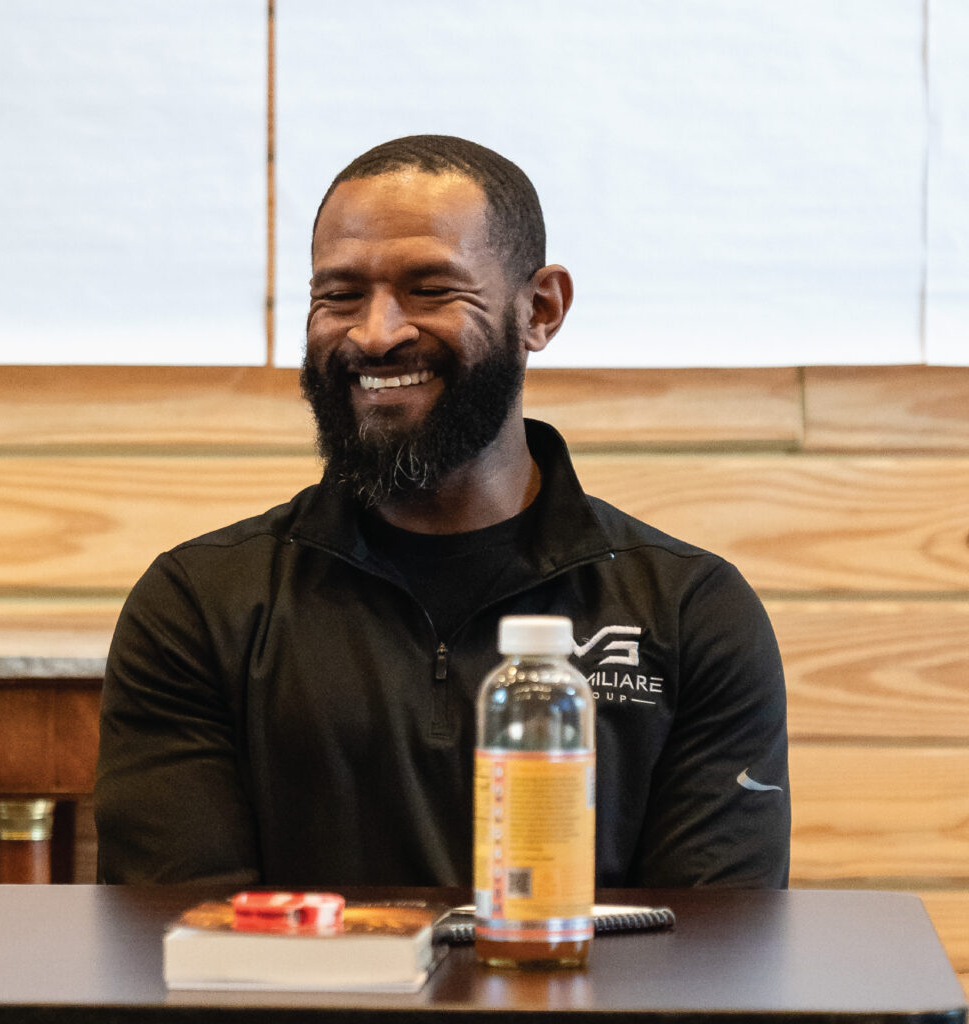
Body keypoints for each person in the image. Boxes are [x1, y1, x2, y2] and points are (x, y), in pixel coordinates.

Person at [95, 135, 790, 888]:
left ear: (540, 310)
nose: (375, 333)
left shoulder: (690, 614)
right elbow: (184, 934)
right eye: (339, 295)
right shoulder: (201, 607)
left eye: (430, 290)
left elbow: (714, 943)